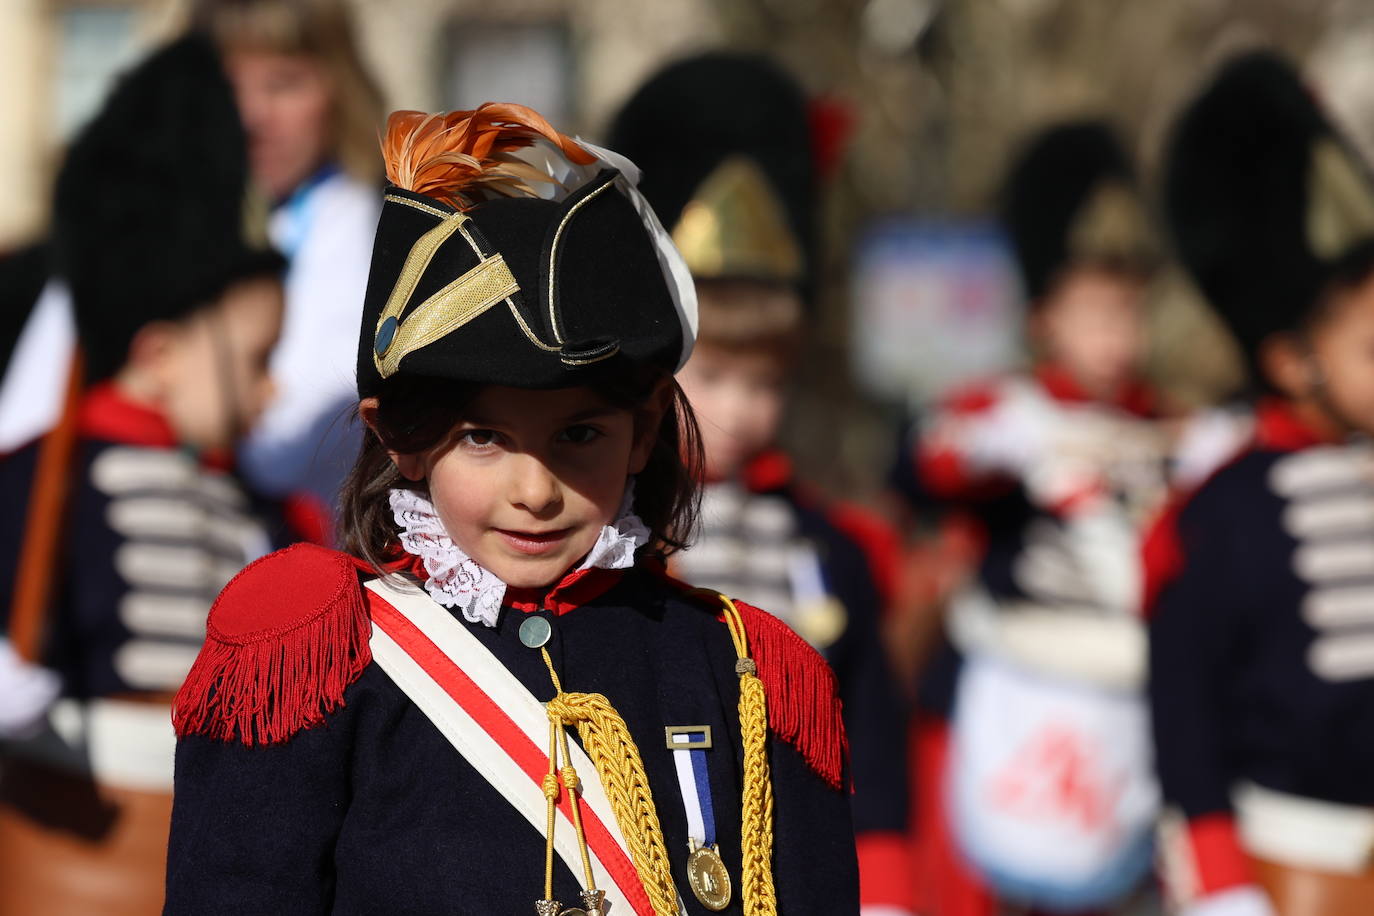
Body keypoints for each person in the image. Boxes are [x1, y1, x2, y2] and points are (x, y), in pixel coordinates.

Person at [165, 102, 859, 914]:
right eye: (485, 437)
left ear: (643, 437)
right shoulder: (325, 656)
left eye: (579, 434)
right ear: (401, 440)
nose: (535, 491)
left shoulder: (745, 670)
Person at [608, 51, 915, 915]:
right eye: (714, 377)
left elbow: (873, 744)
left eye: (767, 382)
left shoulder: (831, 549)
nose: (742, 411)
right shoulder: (609, 532)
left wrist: (887, 892)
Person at [0, 36, 287, 915]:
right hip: (72, 850)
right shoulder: (32, 484)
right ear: (159, 355)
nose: (274, 388)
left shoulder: (265, 509)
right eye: (255, 358)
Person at [898, 122, 1168, 914]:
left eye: (1130, 313)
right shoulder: (1004, 412)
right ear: (1047, 317)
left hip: (1123, 702)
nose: (1118, 339)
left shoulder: (1163, 424)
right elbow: (930, 465)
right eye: (1097, 314)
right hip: (1008, 691)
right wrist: (998, 448)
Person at [1149, 50, 1374, 916]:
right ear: (1290, 359)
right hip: (1291, 876)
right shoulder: (1223, 513)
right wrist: (1217, 883)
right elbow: (1185, 710)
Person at [192, 0, 385, 514]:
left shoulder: (376, 243)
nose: (252, 115)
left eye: (282, 83)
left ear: (340, 89)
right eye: (226, 87)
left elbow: (301, 447)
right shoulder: (141, 225)